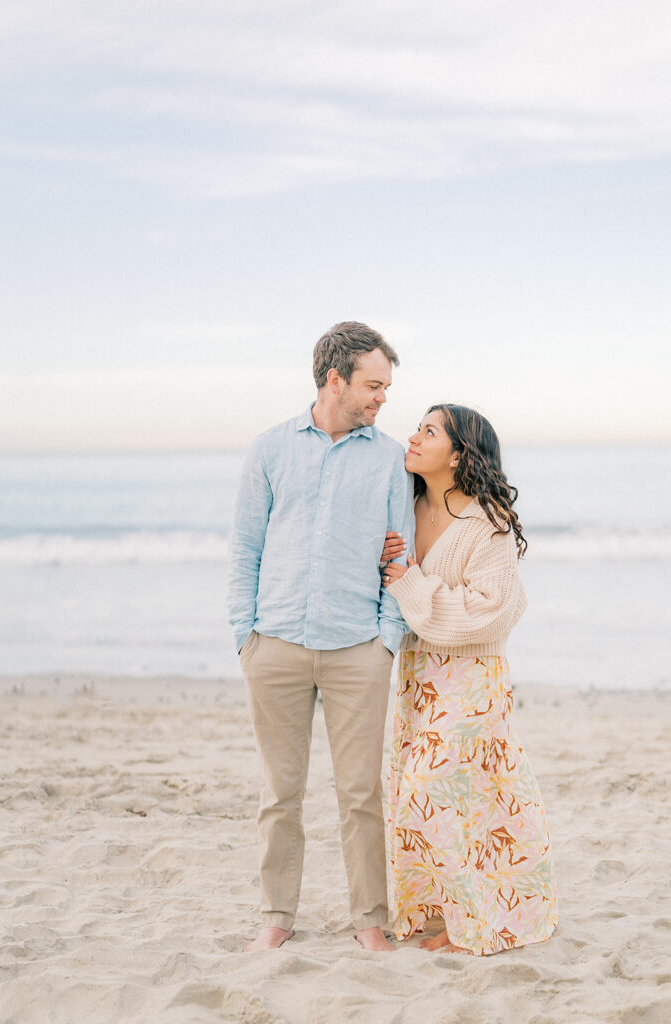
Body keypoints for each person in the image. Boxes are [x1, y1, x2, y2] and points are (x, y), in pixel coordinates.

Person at [227, 322, 414, 952]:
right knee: (280, 794)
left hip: (357, 648)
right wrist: (244, 635)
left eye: (386, 387)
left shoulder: (391, 458)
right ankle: (276, 918)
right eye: (373, 385)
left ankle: (370, 921)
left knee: (361, 794)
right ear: (335, 379)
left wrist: (386, 640)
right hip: (274, 644)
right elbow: (246, 547)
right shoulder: (270, 448)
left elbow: (402, 554)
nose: (382, 397)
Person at [380, 404, 557, 955]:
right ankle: (441, 909)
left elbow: (492, 610)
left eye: (428, 431)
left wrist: (409, 584)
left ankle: (477, 924)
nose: (412, 436)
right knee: (423, 797)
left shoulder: (488, 522)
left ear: (458, 454)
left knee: (443, 791)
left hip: (472, 677)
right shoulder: (405, 510)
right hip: (418, 675)